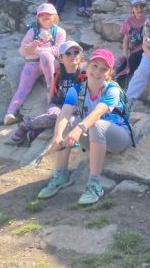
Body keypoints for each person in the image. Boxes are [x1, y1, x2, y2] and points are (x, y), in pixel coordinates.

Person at [37, 48, 132, 206]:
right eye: (94, 66)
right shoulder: (76, 90)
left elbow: (98, 112)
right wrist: (57, 136)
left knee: (96, 124)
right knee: (68, 122)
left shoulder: (112, 89)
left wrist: (79, 129)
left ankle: (94, 184)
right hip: (94, 139)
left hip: (119, 139)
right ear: (87, 66)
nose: (97, 72)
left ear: (109, 73)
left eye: (104, 69)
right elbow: (64, 113)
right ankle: (60, 175)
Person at [11, 41, 85, 144]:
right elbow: (52, 92)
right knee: (55, 116)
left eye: (76, 52)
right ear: (60, 59)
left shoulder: (84, 74)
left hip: (75, 106)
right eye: (68, 53)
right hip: (58, 104)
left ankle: (40, 128)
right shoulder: (58, 75)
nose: (73, 55)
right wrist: (50, 106)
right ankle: (26, 125)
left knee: (73, 115)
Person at [5, 3, 67, 125]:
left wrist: (35, 50)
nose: (45, 16)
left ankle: (50, 90)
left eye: (49, 14)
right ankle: (10, 113)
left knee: (46, 56)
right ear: (37, 18)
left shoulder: (60, 32)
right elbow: (22, 51)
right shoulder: (32, 32)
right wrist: (37, 42)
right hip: (33, 63)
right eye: (42, 15)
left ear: (55, 16)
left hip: (51, 63)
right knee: (23, 88)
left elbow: (57, 50)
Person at [115, 0, 149, 88]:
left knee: (133, 60)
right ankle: (118, 85)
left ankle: (126, 85)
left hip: (145, 51)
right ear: (132, 9)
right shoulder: (128, 21)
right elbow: (126, 39)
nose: (139, 9)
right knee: (123, 64)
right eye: (136, 7)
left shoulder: (148, 20)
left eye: (141, 6)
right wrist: (125, 54)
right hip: (133, 51)